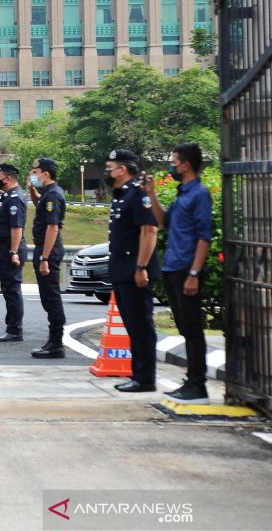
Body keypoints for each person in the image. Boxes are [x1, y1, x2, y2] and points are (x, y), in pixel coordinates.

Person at [142, 142, 213, 404]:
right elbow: (165, 222)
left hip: (186, 269)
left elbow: (204, 237)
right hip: (173, 267)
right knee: (185, 328)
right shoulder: (183, 193)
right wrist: (151, 194)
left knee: (193, 329)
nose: (171, 166)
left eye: (173, 161)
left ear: (186, 164)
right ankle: (191, 381)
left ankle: (198, 386)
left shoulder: (200, 194)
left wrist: (194, 273)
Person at [104, 149, 158, 392]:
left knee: (141, 326)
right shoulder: (122, 195)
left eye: (110, 168)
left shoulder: (139, 194)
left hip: (134, 270)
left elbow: (149, 231)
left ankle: (145, 378)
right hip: (121, 269)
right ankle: (138, 375)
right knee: (132, 327)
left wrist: (141, 266)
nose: (108, 172)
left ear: (122, 169)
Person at [27, 157, 67, 358]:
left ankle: (56, 343)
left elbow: (53, 227)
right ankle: (53, 341)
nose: (32, 175)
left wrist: (45, 258)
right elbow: (40, 207)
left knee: (51, 297)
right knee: (47, 296)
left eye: (35, 172)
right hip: (44, 248)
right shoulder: (46, 194)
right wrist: (33, 192)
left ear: (46, 174)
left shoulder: (53, 195)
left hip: (48, 250)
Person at [0, 163, 27, 341]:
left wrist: (13, 252)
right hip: (1, 248)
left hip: (8, 250)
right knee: (8, 289)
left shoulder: (15, 199)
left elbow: (17, 227)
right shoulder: (8, 196)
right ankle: (12, 326)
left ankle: (14, 329)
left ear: (9, 178)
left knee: (12, 289)